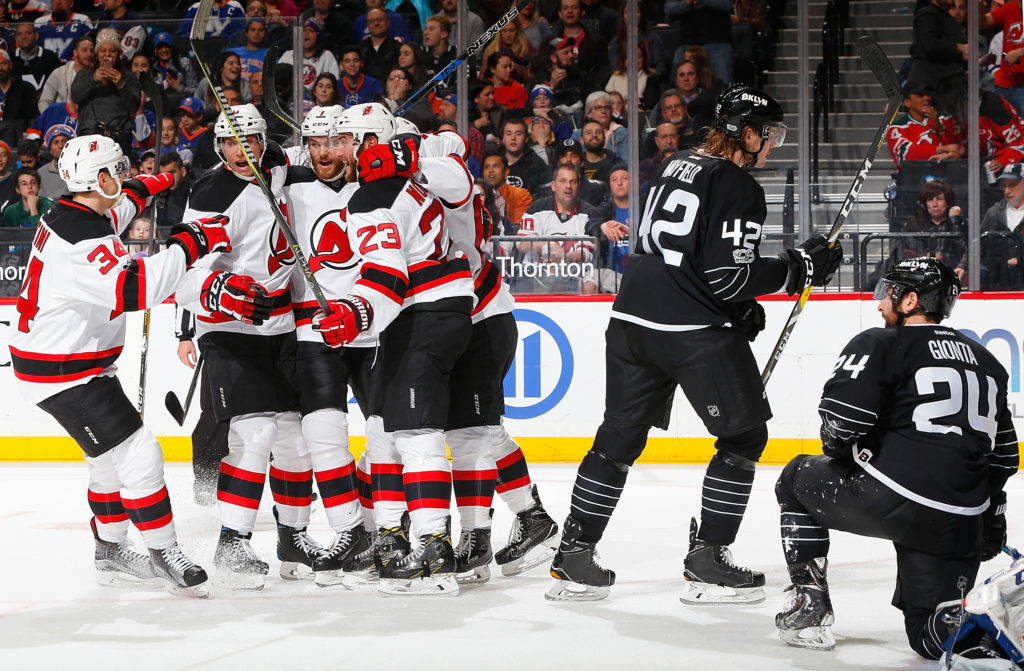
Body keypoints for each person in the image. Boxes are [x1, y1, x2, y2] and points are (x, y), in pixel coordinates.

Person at [545, 84, 843, 603]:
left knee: (618, 436)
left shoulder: (677, 162)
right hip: (690, 332)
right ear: (746, 134)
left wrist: (736, 305)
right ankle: (708, 557)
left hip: (632, 320)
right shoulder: (740, 185)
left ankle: (573, 553)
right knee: (745, 438)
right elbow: (728, 277)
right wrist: (800, 267)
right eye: (768, 133)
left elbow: (685, 255)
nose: (772, 142)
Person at [7, 134, 229, 596]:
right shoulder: (83, 237)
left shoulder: (75, 212)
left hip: (59, 361)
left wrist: (155, 183)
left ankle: (109, 550)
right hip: (65, 371)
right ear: (100, 178)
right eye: (119, 170)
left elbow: (119, 206)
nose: (125, 176)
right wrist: (193, 240)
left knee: (107, 459)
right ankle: (164, 551)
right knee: (138, 453)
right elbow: (136, 289)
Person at [774, 257, 1019, 662]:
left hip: (890, 498)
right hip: (961, 519)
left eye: (886, 293)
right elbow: (1005, 457)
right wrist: (986, 513)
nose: (878, 304)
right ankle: (999, 621)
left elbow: (839, 429)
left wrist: (863, 454)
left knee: (795, 478)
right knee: (929, 637)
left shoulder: (881, 342)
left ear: (909, 301)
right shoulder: (987, 361)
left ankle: (809, 609)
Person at [315, 102, 476, 595]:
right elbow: (454, 158)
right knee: (383, 428)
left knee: (418, 434)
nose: (335, 149)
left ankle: (433, 550)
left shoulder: (372, 196)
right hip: (428, 315)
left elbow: (388, 276)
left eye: (345, 140)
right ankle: (390, 536)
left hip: (423, 316)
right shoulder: (407, 182)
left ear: (367, 143)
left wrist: (353, 314)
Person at [175, 104, 310, 590]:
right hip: (231, 327)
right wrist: (219, 295)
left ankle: (294, 538)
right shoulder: (211, 192)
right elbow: (184, 270)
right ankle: (233, 541)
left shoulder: (280, 169)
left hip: (282, 325)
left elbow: (307, 160)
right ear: (218, 146)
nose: (241, 151)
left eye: (249, 141)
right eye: (232, 142)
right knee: (252, 435)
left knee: (296, 436)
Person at [71, 28, 140, 155]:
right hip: (90, 137)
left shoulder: (128, 76)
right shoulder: (85, 74)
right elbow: (76, 96)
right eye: (103, 50)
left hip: (120, 138)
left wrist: (121, 85)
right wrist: (93, 79)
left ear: (118, 54)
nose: (107, 54)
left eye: (112, 50)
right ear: (97, 54)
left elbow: (134, 106)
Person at [886, 81, 964, 169]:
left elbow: (960, 148)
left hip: (947, 174)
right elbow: (906, 156)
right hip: (913, 178)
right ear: (908, 102)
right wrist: (943, 149)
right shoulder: (897, 127)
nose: (927, 98)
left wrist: (939, 127)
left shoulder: (944, 118)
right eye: (920, 95)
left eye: (928, 94)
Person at [583, 165, 630, 294]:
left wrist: (631, 231)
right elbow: (590, 225)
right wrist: (602, 226)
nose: (619, 183)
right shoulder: (604, 209)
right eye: (614, 180)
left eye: (625, 178)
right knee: (590, 281)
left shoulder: (643, 207)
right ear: (610, 185)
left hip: (640, 272)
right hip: (611, 272)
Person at [666, 0, 733, 85]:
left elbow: (727, 4)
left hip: (718, 41)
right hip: (688, 42)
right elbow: (669, 10)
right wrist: (688, 2)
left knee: (723, 77)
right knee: (677, 66)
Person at [37, 34, 93, 112]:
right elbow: (44, 101)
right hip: (61, 121)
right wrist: (53, 119)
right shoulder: (59, 73)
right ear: (75, 52)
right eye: (84, 50)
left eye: (91, 51)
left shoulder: (96, 75)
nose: (89, 54)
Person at [481, 151, 532, 228]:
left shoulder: (521, 195)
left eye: (495, 166)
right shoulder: (477, 195)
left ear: (506, 172)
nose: (490, 170)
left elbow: (520, 226)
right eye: (487, 167)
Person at [501, 117, 549, 195]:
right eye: (509, 134)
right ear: (503, 138)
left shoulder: (536, 163)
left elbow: (541, 197)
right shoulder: (495, 160)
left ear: (526, 138)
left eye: (518, 134)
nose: (513, 138)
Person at [11, 20, 60, 93]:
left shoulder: (49, 56)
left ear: (36, 36)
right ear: (16, 38)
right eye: (20, 34)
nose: (24, 36)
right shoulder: (10, 57)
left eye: (28, 33)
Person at [358, 9, 400, 84]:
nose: (376, 23)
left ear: (388, 22)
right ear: (367, 26)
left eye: (380, 20)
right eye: (372, 21)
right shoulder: (360, 50)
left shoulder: (398, 48)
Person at [579, 118, 623, 185]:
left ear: (605, 138)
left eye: (598, 132)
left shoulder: (616, 165)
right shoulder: (577, 164)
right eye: (589, 133)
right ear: (581, 140)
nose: (594, 135)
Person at [177, 0, 246, 39]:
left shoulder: (235, 6)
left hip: (227, 49)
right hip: (200, 49)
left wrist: (224, 39)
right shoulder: (195, 8)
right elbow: (182, 34)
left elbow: (241, 33)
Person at [37, 124, 72, 200]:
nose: (61, 146)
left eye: (64, 141)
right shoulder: (40, 173)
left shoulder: (81, 169)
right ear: (50, 150)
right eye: (56, 142)